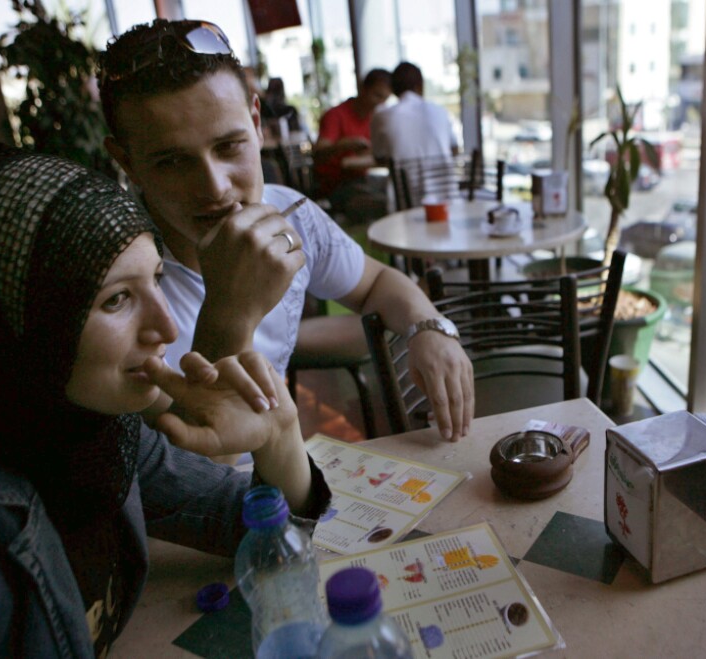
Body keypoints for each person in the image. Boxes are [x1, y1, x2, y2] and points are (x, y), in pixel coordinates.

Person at [0, 147, 331, 657]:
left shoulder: (99, 434)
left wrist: (278, 434)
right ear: (18, 326)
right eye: (116, 299)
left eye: (157, 279)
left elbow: (251, 528)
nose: (167, 328)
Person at [98, 19, 474, 443]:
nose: (216, 187)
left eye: (228, 147)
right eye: (172, 162)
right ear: (127, 161)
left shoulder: (291, 212)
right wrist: (230, 310)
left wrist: (429, 328)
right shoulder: (112, 286)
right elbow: (186, 474)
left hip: (285, 474)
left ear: (257, 123)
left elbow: (375, 282)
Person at [313, 68, 392, 224]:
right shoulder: (336, 115)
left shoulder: (374, 118)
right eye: (377, 96)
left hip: (361, 179)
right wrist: (343, 145)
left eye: (385, 99)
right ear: (363, 89)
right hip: (336, 186)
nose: (380, 103)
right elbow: (318, 154)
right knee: (383, 202)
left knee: (395, 191)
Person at [370, 61, 459, 163]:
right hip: (446, 179)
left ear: (393, 90)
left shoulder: (382, 116)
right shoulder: (440, 111)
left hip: (404, 179)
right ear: (420, 86)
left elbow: (378, 156)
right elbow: (455, 150)